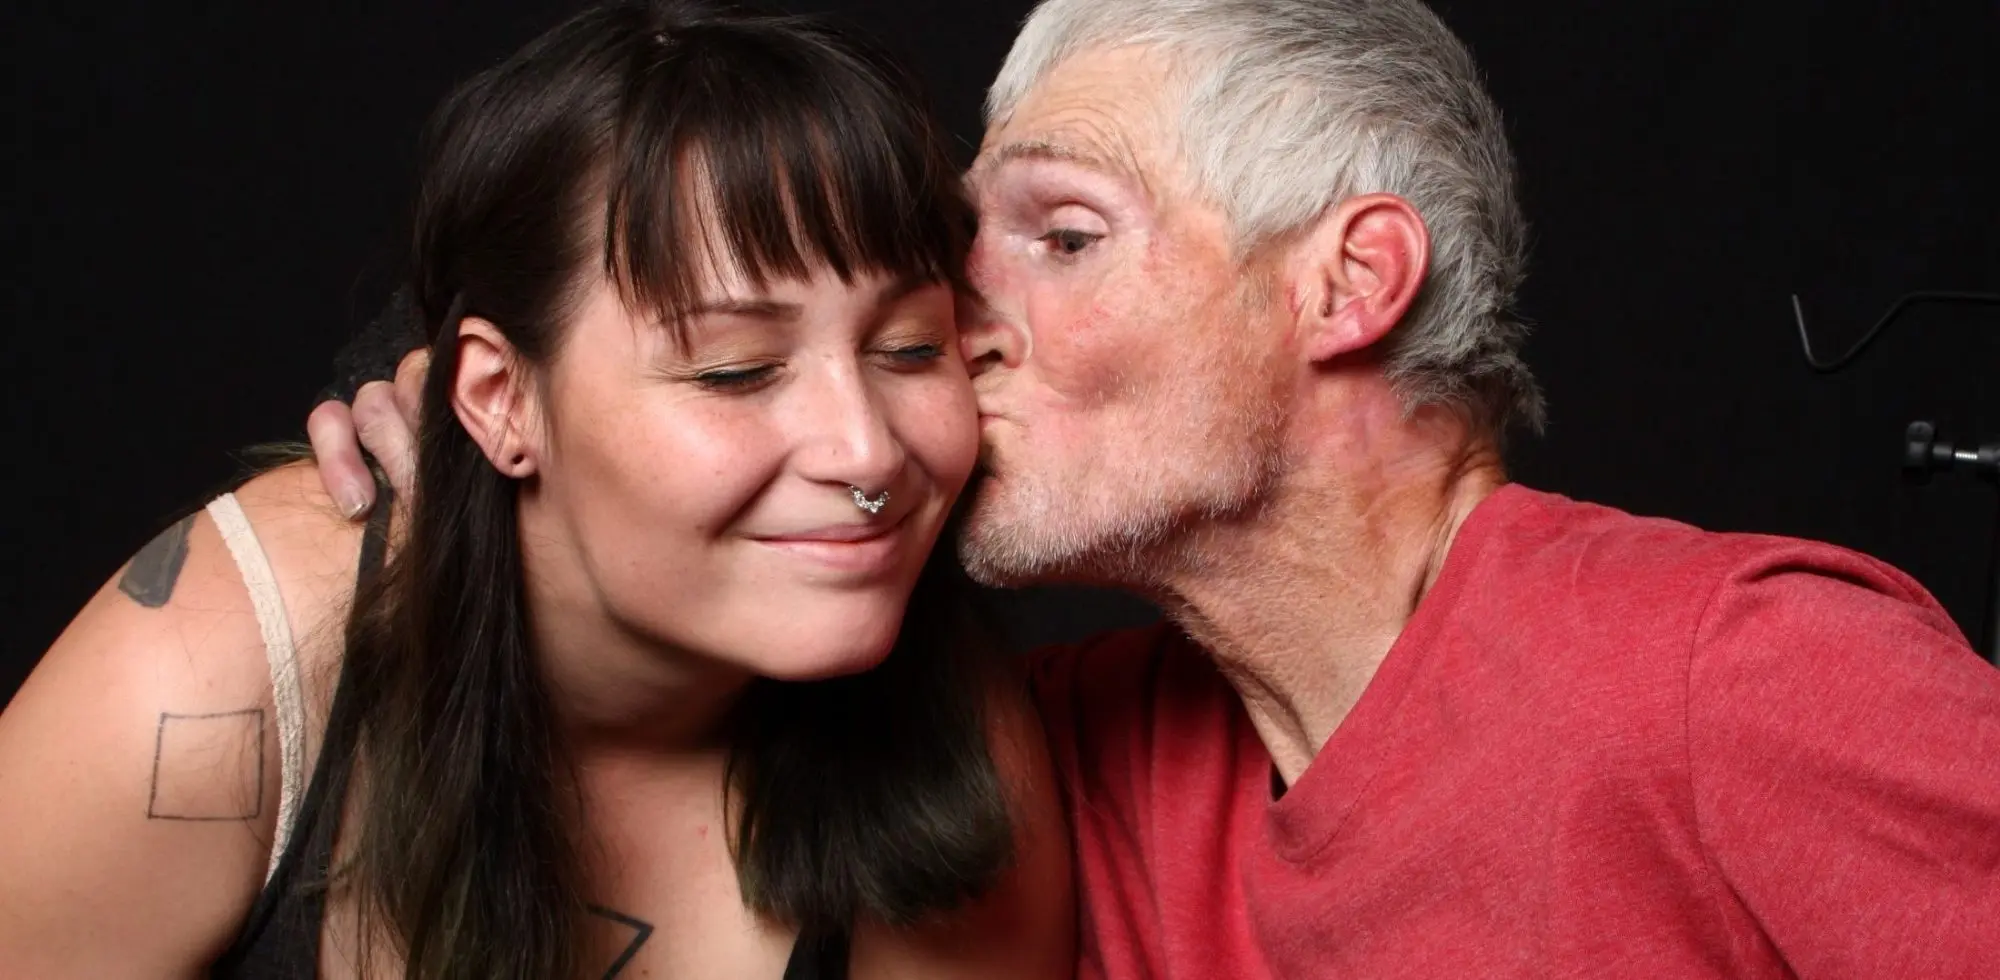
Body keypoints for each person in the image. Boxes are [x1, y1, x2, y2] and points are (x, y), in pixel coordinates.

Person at [314, 0, 2000, 976]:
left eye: (1063, 236)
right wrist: (511, 454)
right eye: (961, 259)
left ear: (1347, 287)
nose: (953, 328)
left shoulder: (1728, 679)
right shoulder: (1064, 756)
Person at [0, 3, 1075, 978]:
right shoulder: (214, 678)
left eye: (908, 347)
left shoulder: (955, 742)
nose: (865, 450)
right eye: (736, 370)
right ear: (497, 397)